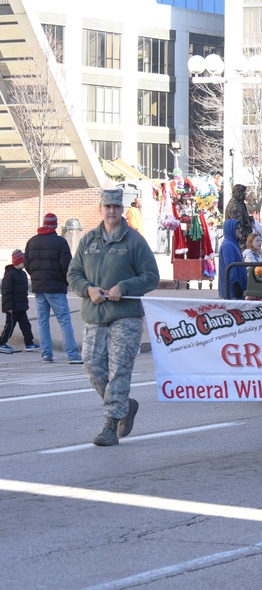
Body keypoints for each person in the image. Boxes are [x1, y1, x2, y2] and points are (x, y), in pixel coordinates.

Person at [67, 188, 159, 446]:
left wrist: (124, 287)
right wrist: (88, 289)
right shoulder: (88, 241)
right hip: (95, 313)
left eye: (116, 207)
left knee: (119, 370)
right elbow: (73, 274)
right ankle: (125, 406)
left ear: (122, 210)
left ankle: (110, 425)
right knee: (94, 368)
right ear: (100, 208)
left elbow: (150, 276)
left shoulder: (134, 241)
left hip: (125, 316)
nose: (111, 211)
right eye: (107, 206)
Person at [24, 212, 83, 364]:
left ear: (44, 224)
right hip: (56, 287)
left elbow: (27, 264)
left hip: (38, 287)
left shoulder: (32, 242)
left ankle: (46, 354)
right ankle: (72, 354)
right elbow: (67, 266)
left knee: (43, 321)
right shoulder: (60, 242)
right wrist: (66, 282)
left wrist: (36, 277)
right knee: (64, 320)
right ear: (55, 225)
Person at [0, 249, 39, 354]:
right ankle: (2, 343)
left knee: (25, 325)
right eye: (24, 261)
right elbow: (6, 292)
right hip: (12, 307)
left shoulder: (22, 274)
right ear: (18, 262)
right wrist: (8, 306)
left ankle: (29, 343)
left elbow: (23, 291)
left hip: (21, 307)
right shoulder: (10, 274)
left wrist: (25, 304)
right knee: (10, 326)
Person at [218, 218, 248, 300]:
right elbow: (231, 267)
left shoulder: (232, 244)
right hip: (232, 294)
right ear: (231, 230)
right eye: (237, 228)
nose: (240, 230)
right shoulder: (228, 246)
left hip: (235, 292)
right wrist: (236, 286)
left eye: (240, 228)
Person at [225, 183, 253, 248]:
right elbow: (238, 226)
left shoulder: (240, 204)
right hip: (241, 243)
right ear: (239, 193)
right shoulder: (235, 206)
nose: (245, 194)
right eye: (243, 192)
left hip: (244, 241)